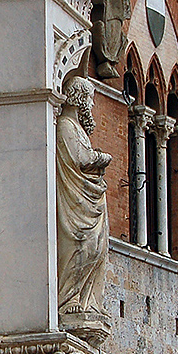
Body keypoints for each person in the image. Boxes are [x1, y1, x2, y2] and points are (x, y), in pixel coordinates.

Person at [56, 77, 114, 329]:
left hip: (90, 199)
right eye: (89, 98)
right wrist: (102, 157)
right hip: (77, 203)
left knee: (96, 249)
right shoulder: (66, 126)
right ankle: (68, 298)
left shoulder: (76, 128)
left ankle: (87, 300)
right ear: (79, 99)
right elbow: (81, 159)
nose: (91, 104)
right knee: (81, 245)